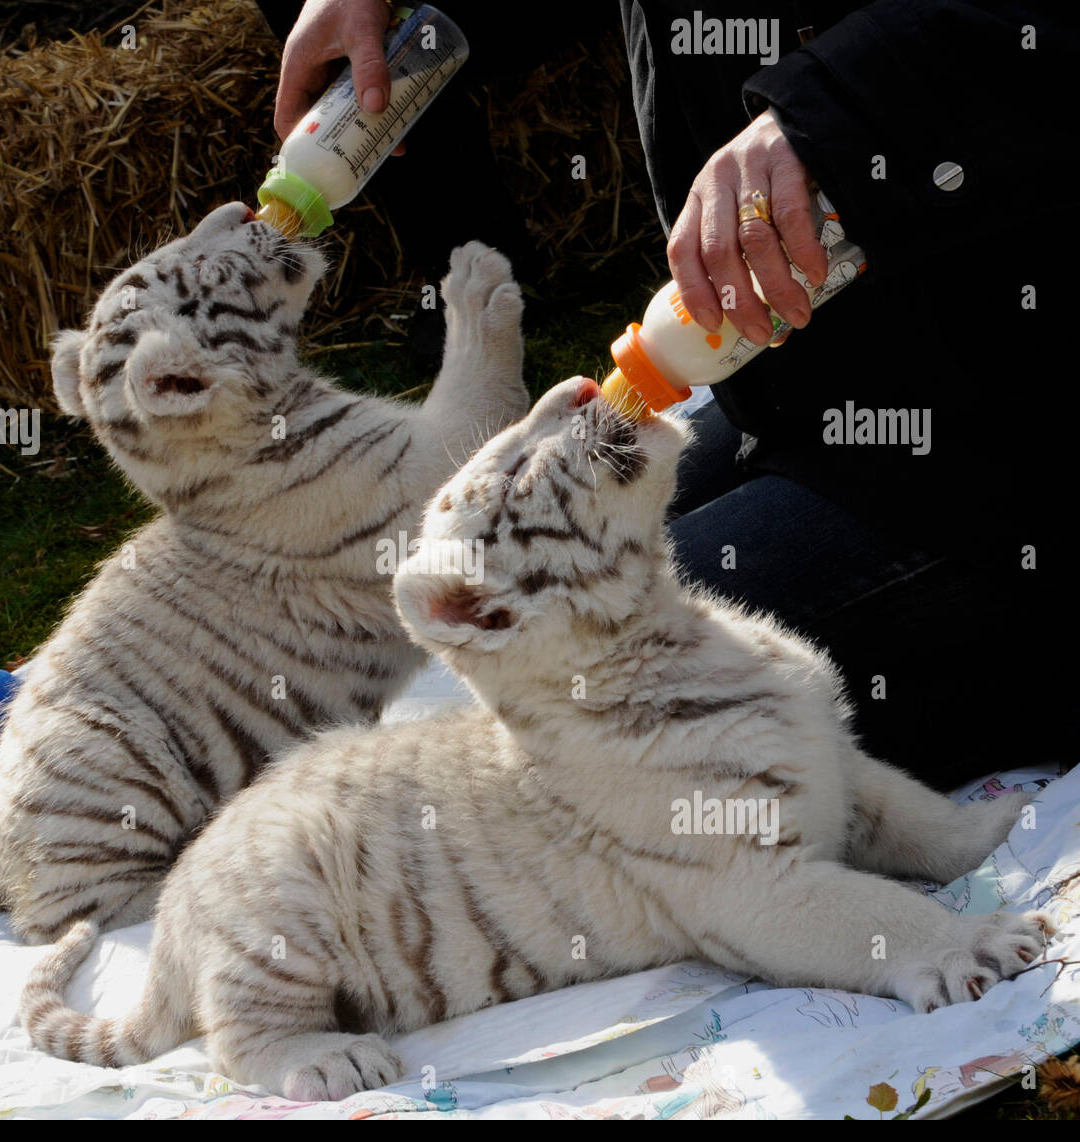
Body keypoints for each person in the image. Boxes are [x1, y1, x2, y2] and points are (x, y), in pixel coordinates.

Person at [261, 0, 1074, 789]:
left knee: (573, 713)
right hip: (815, 361)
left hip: (1002, 414)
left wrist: (830, 110)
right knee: (525, 607)